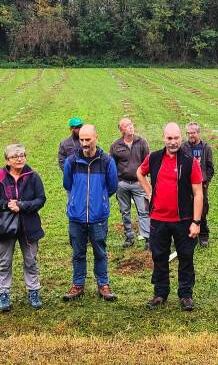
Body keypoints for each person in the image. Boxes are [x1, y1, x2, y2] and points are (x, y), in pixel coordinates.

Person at [137, 123, 204, 311]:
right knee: (159, 256)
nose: (172, 142)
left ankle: (186, 295)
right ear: (163, 138)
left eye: (176, 138)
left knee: (186, 257)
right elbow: (139, 173)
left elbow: (198, 193)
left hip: (183, 220)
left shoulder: (190, 162)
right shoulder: (154, 158)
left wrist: (196, 222)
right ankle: (160, 293)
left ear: (180, 138)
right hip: (159, 220)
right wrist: (150, 192)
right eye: (169, 138)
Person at [62, 124, 120, 302]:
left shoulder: (107, 161)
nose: (84, 143)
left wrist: (99, 200)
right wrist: (77, 201)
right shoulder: (71, 161)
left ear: (96, 138)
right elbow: (68, 184)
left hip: (98, 217)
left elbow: (112, 187)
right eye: (81, 140)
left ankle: (103, 284)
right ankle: (78, 284)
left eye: (88, 139)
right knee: (78, 253)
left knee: (100, 252)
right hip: (76, 217)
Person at [0, 144, 46, 312]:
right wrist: (7, 205)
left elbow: (41, 199)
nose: (19, 159)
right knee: (4, 261)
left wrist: (22, 205)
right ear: (7, 160)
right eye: (15, 156)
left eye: (22, 155)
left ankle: (33, 291)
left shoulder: (33, 176)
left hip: (29, 226)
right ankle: (3, 293)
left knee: (31, 260)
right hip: (6, 226)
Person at [109, 118, 151, 247]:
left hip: (139, 183)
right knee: (125, 211)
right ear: (121, 130)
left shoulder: (142, 142)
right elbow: (112, 165)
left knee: (143, 210)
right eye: (126, 126)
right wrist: (117, 181)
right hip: (122, 184)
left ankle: (148, 237)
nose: (130, 127)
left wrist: (146, 180)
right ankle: (129, 236)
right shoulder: (116, 146)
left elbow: (148, 161)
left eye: (131, 124)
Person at [181, 122, 214, 248]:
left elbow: (210, 167)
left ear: (198, 133)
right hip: (187, 184)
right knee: (186, 209)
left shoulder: (206, 148)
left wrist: (206, 182)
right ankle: (187, 234)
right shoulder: (183, 147)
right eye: (188, 133)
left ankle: (203, 235)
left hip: (201, 185)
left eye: (193, 133)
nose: (191, 135)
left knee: (202, 210)